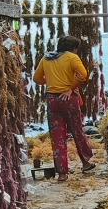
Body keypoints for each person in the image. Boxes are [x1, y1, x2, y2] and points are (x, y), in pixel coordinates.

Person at [33, 36, 95, 182]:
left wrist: (50, 81)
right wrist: (69, 88)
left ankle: (62, 174)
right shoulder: (72, 57)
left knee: (57, 137)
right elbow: (84, 76)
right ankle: (86, 163)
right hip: (69, 100)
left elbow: (37, 79)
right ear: (73, 48)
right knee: (77, 131)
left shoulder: (46, 58)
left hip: (52, 100)